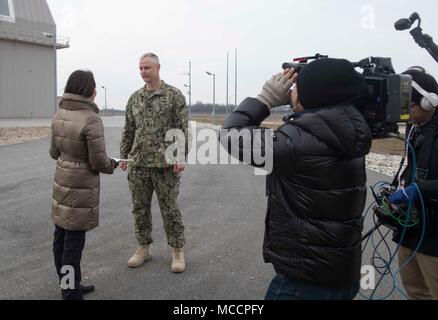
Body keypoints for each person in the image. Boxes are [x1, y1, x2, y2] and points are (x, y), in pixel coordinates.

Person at [221, 58, 372, 300]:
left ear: (311, 94)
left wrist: (265, 99)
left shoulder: (299, 141)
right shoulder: (348, 129)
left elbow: (231, 135)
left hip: (305, 283)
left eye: (296, 86)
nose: (290, 90)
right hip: (338, 273)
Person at [50, 70, 118, 300]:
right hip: (80, 185)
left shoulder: (59, 114)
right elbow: (98, 161)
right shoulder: (91, 119)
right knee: (73, 243)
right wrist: (113, 165)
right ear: (89, 90)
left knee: (61, 235)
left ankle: (69, 283)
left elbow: (53, 152)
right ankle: (70, 291)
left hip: (62, 179)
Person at [120, 53, 189, 273]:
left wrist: (180, 156)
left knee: (170, 209)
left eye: (147, 68)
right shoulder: (135, 98)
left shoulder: (174, 96)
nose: (143, 72)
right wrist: (124, 156)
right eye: (140, 68)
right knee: (139, 209)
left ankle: (177, 250)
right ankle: (143, 248)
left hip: (165, 165)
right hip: (138, 164)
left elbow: (182, 129)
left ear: (158, 67)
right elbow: (129, 130)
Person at [389, 66, 438, 300]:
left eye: (409, 103)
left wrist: (420, 189)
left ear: (429, 102)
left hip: (435, 236)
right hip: (411, 228)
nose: (403, 110)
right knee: (415, 288)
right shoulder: (414, 127)